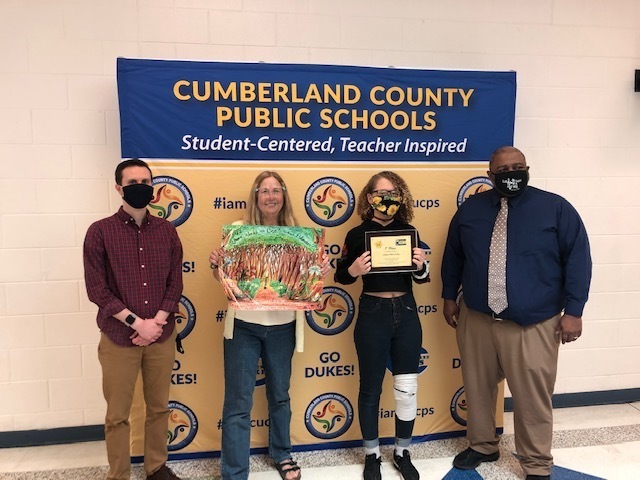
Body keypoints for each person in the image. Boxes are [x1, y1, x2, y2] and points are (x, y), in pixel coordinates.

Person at [441, 146, 592, 480]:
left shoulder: (555, 208)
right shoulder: (471, 210)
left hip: (534, 323)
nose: (512, 173)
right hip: (478, 318)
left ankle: (536, 463)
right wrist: (449, 296)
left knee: (532, 396)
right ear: (490, 175)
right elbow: (453, 256)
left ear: (527, 168)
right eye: (503, 170)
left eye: (518, 167)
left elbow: (578, 258)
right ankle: (483, 445)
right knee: (478, 387)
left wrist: (574, 310)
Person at [209, 171, 331, 480]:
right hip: (243, 327)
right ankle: (234, 472)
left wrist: (320, 269)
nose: (271, 196)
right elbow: (224, 279)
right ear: (256, 196)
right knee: (238, 401)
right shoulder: (238, 231)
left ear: (284, 196)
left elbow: (308, 281)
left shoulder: (300, 235)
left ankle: (282, 454)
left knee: (280, 395)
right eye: (264, 191)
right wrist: (217, 264)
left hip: (283, 328)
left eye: (276, 190)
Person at [83, 159, 184, 480]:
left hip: (161, 336)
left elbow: (175, 283)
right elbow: (97, 289)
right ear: (119, 188)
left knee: (158, 408)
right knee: (117, 415)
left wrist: (156, 323)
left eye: (145, 182)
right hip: (118, 338)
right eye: (132, 183)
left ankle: (156, 467)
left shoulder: (167, 231)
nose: (140, 187)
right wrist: (138, 324)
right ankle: (119, 474)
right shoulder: (100, 232)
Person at [334, 171, 429, 480]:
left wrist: (421, 266)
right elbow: (341, 276)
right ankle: (372, 454)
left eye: (392, 193)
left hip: (406, 310)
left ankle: (402, 452)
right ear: (369, 197)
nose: (386, 199)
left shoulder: (409, 231)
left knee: (407, 389)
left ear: (401, 197)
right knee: (370, 388)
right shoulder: (356, 234)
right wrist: (353, 269)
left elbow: (421, 278)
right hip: (372, 312)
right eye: (380, 193)